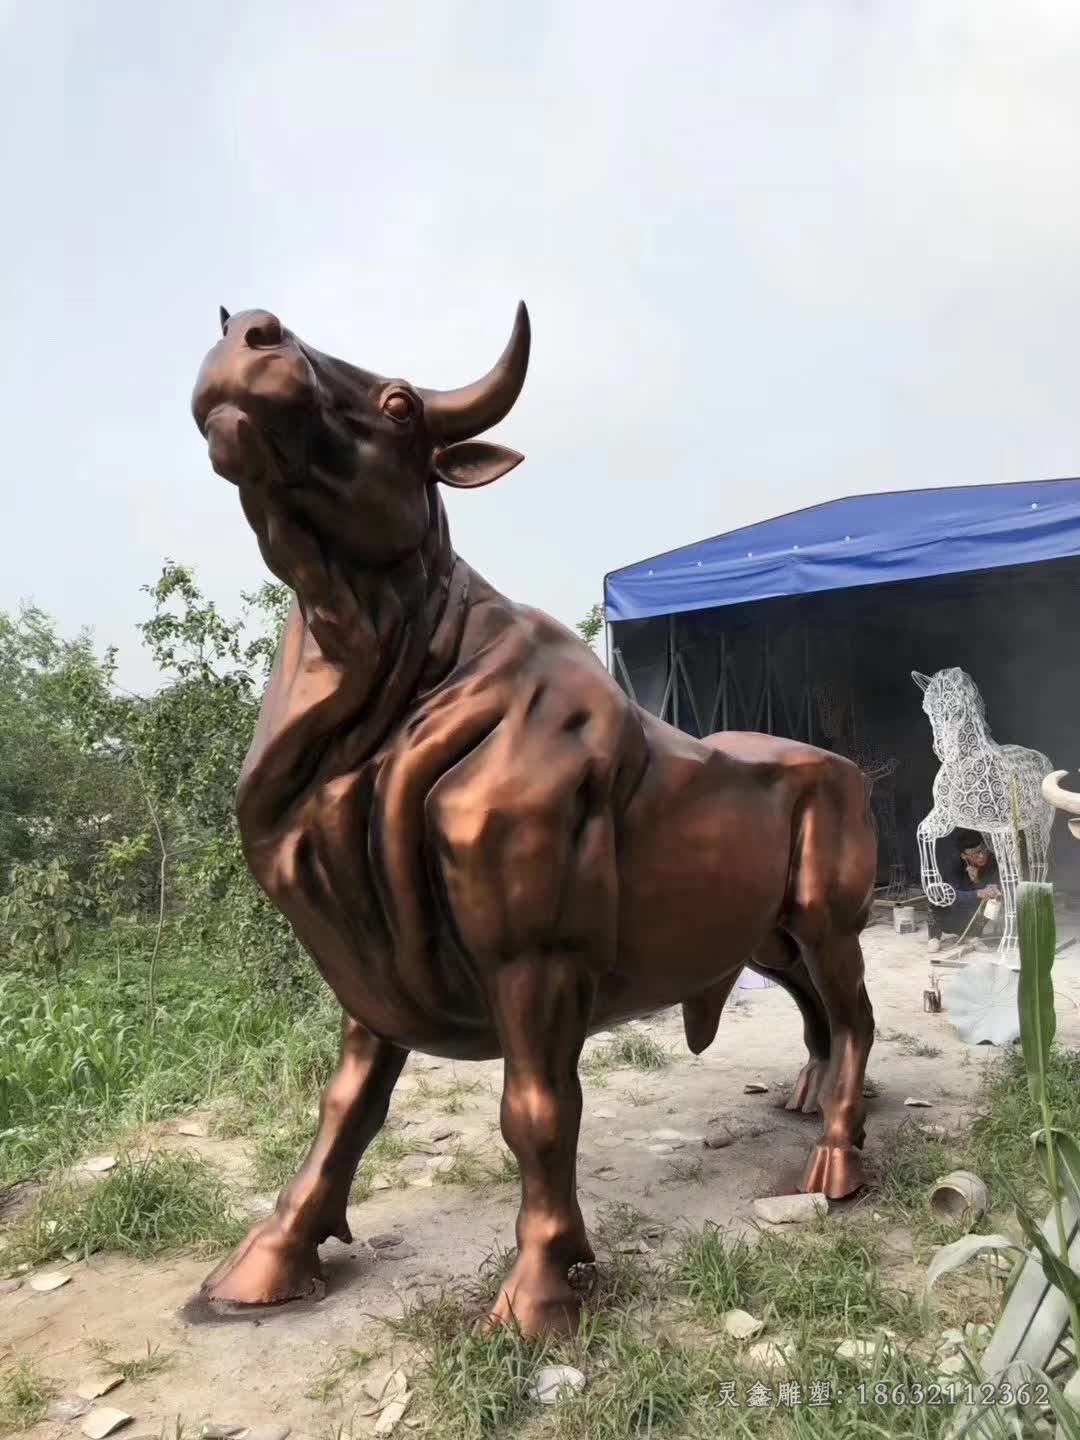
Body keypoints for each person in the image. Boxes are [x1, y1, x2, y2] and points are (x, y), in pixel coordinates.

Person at [926, 829, 1002, 954]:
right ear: (964, 856)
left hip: (972, 912)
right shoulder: (954, 864)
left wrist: (977, 881)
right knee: (937, 895)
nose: (982, 856)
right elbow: (951, 896)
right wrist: (977, 893)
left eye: (983, 850)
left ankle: (973, 934)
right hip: (950, 913)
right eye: (975, 854)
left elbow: (991, 887)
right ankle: (934, 937)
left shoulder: (992, 861)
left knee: (994, 900)